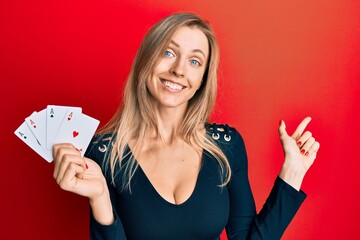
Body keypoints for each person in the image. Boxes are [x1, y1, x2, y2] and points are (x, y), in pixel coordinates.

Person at [52, 12, 320, 240]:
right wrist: (99, 198)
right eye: (169, 52)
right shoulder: (104, 152)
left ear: (203, 78)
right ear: (147, 59)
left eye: (194, 61)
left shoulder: (226, 146)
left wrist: (293, 173)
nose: (179, 70)